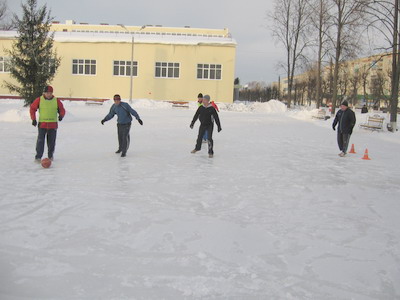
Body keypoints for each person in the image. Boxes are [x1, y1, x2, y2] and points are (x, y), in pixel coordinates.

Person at [30, 85, 66, 161]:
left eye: (50, 93)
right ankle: (38, 157)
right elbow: (32, 109)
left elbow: (62, 109)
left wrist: (61, 116)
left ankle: (50, 156)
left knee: (51, 143)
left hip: (53, 125)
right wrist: (33, 119)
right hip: (42, 125)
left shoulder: (56, 101)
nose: (48, 94)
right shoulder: (39, 100)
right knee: (40, 141)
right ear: (44, 93)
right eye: (47, 93)